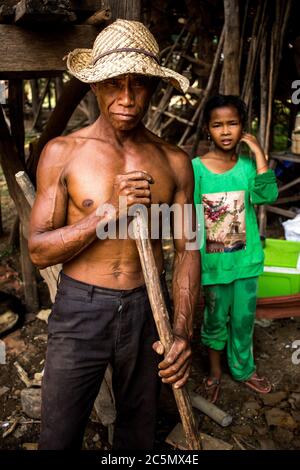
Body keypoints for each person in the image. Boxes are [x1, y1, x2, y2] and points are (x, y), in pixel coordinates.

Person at [28, 19, 200, 450]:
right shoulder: (64, 153)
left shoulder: (174, 162)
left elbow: (186, 249)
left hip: (148, 309)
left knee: (138, 433)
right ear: (95, 86)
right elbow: (39, 251)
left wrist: (180, 332)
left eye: (139, 85)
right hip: (80, 309)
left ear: (153, 89)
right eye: (113, 84)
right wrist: (109, 213)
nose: (127, 98)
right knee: (60, 431)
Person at [192, 94, 278, 404]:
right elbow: (186, 215)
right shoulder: (195, 170)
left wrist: (256, 151)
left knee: (243, 319)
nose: (226, 131)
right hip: (213, 266)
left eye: (232, 123)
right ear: (208, 129)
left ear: (243, 127)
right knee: (215, 319)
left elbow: (267, 195)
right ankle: (215, 372)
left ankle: (243, 369)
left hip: (246, 262)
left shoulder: (245, 167)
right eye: (218, 125)